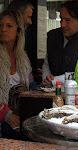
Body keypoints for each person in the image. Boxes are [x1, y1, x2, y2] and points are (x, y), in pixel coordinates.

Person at [0, 10, 32, 138]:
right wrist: (6, 115)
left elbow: (31, 85)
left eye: (9, 26)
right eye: (0, 25)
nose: (3, 29)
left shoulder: (23, 58)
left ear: (18, 31)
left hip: (21, 115)